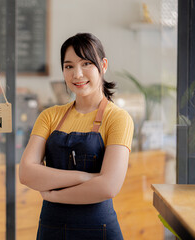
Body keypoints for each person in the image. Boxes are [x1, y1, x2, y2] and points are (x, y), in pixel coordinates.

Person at [19, 33, 134, 240]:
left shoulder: (118, 118)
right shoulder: (50, 116)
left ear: (103, 65)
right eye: (69, 66)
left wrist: (54, 195)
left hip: (98, 230)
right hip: (51, 230)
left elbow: (108, 186)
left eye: (86, 63)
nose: (77, 74)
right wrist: (85, 178)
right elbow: (26, 173)